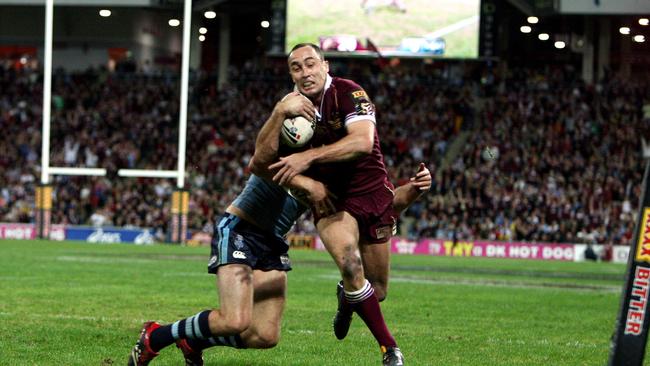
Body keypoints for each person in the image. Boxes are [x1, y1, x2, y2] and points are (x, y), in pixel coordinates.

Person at [127, 91, 431, 366]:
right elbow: (259, 162)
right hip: (241, 231)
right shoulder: (285, 148)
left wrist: (414, 189)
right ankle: (156, 336)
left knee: (264, 335)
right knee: (234, 320)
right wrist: (280, 112)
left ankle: (193, 339)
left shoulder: (330, 171)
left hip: (272, 243)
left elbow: (379, 204)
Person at [251, 43, 424, 365]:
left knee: (378, 290)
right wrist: (305, 181)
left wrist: (308, 156)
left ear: (325, 66)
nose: (305, 73)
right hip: (331, 200)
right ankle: (390, 350)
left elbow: (362, 142)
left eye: (311, 64)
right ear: (291, 74)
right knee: (350, 264)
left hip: (372, 193)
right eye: (296, 67)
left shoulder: (349, 92)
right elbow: (259, 164)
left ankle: (347, 298)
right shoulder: (289, 107)